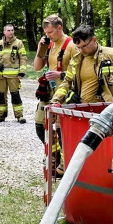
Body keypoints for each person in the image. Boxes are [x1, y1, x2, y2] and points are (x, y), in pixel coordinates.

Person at [51, 24, 113, 106]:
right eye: (78, 47)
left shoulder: (112, 55)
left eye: (84, 46)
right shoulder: (76, 60)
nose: (81, 50)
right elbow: (67, 81)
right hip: (82, 109)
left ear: (94, 40)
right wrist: (56, 100)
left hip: (107, 110)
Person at [31, 14, 78, 142]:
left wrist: (60, 74)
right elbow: (37, 67)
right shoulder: (49, 44)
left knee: (60, 128)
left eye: (50, 32)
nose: (48, 36)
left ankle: (61, 159)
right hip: (49, 91)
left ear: (59, 28)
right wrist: (40, 49)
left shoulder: (72, 45)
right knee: (40, 124)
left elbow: (80, 72)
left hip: (65, 92)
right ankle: (53, 154)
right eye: (46, 33)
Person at [0, 24, 26, 122]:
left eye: (12, 30)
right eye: (8, 30)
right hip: (1, 76)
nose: (11, 32)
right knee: (1, 96)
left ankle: (19, 116)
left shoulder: (19, 43)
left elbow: (23, 58)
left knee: (15, 95)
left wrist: (22, 72)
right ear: (4, 32)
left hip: (13, 76)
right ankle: (1, 116)